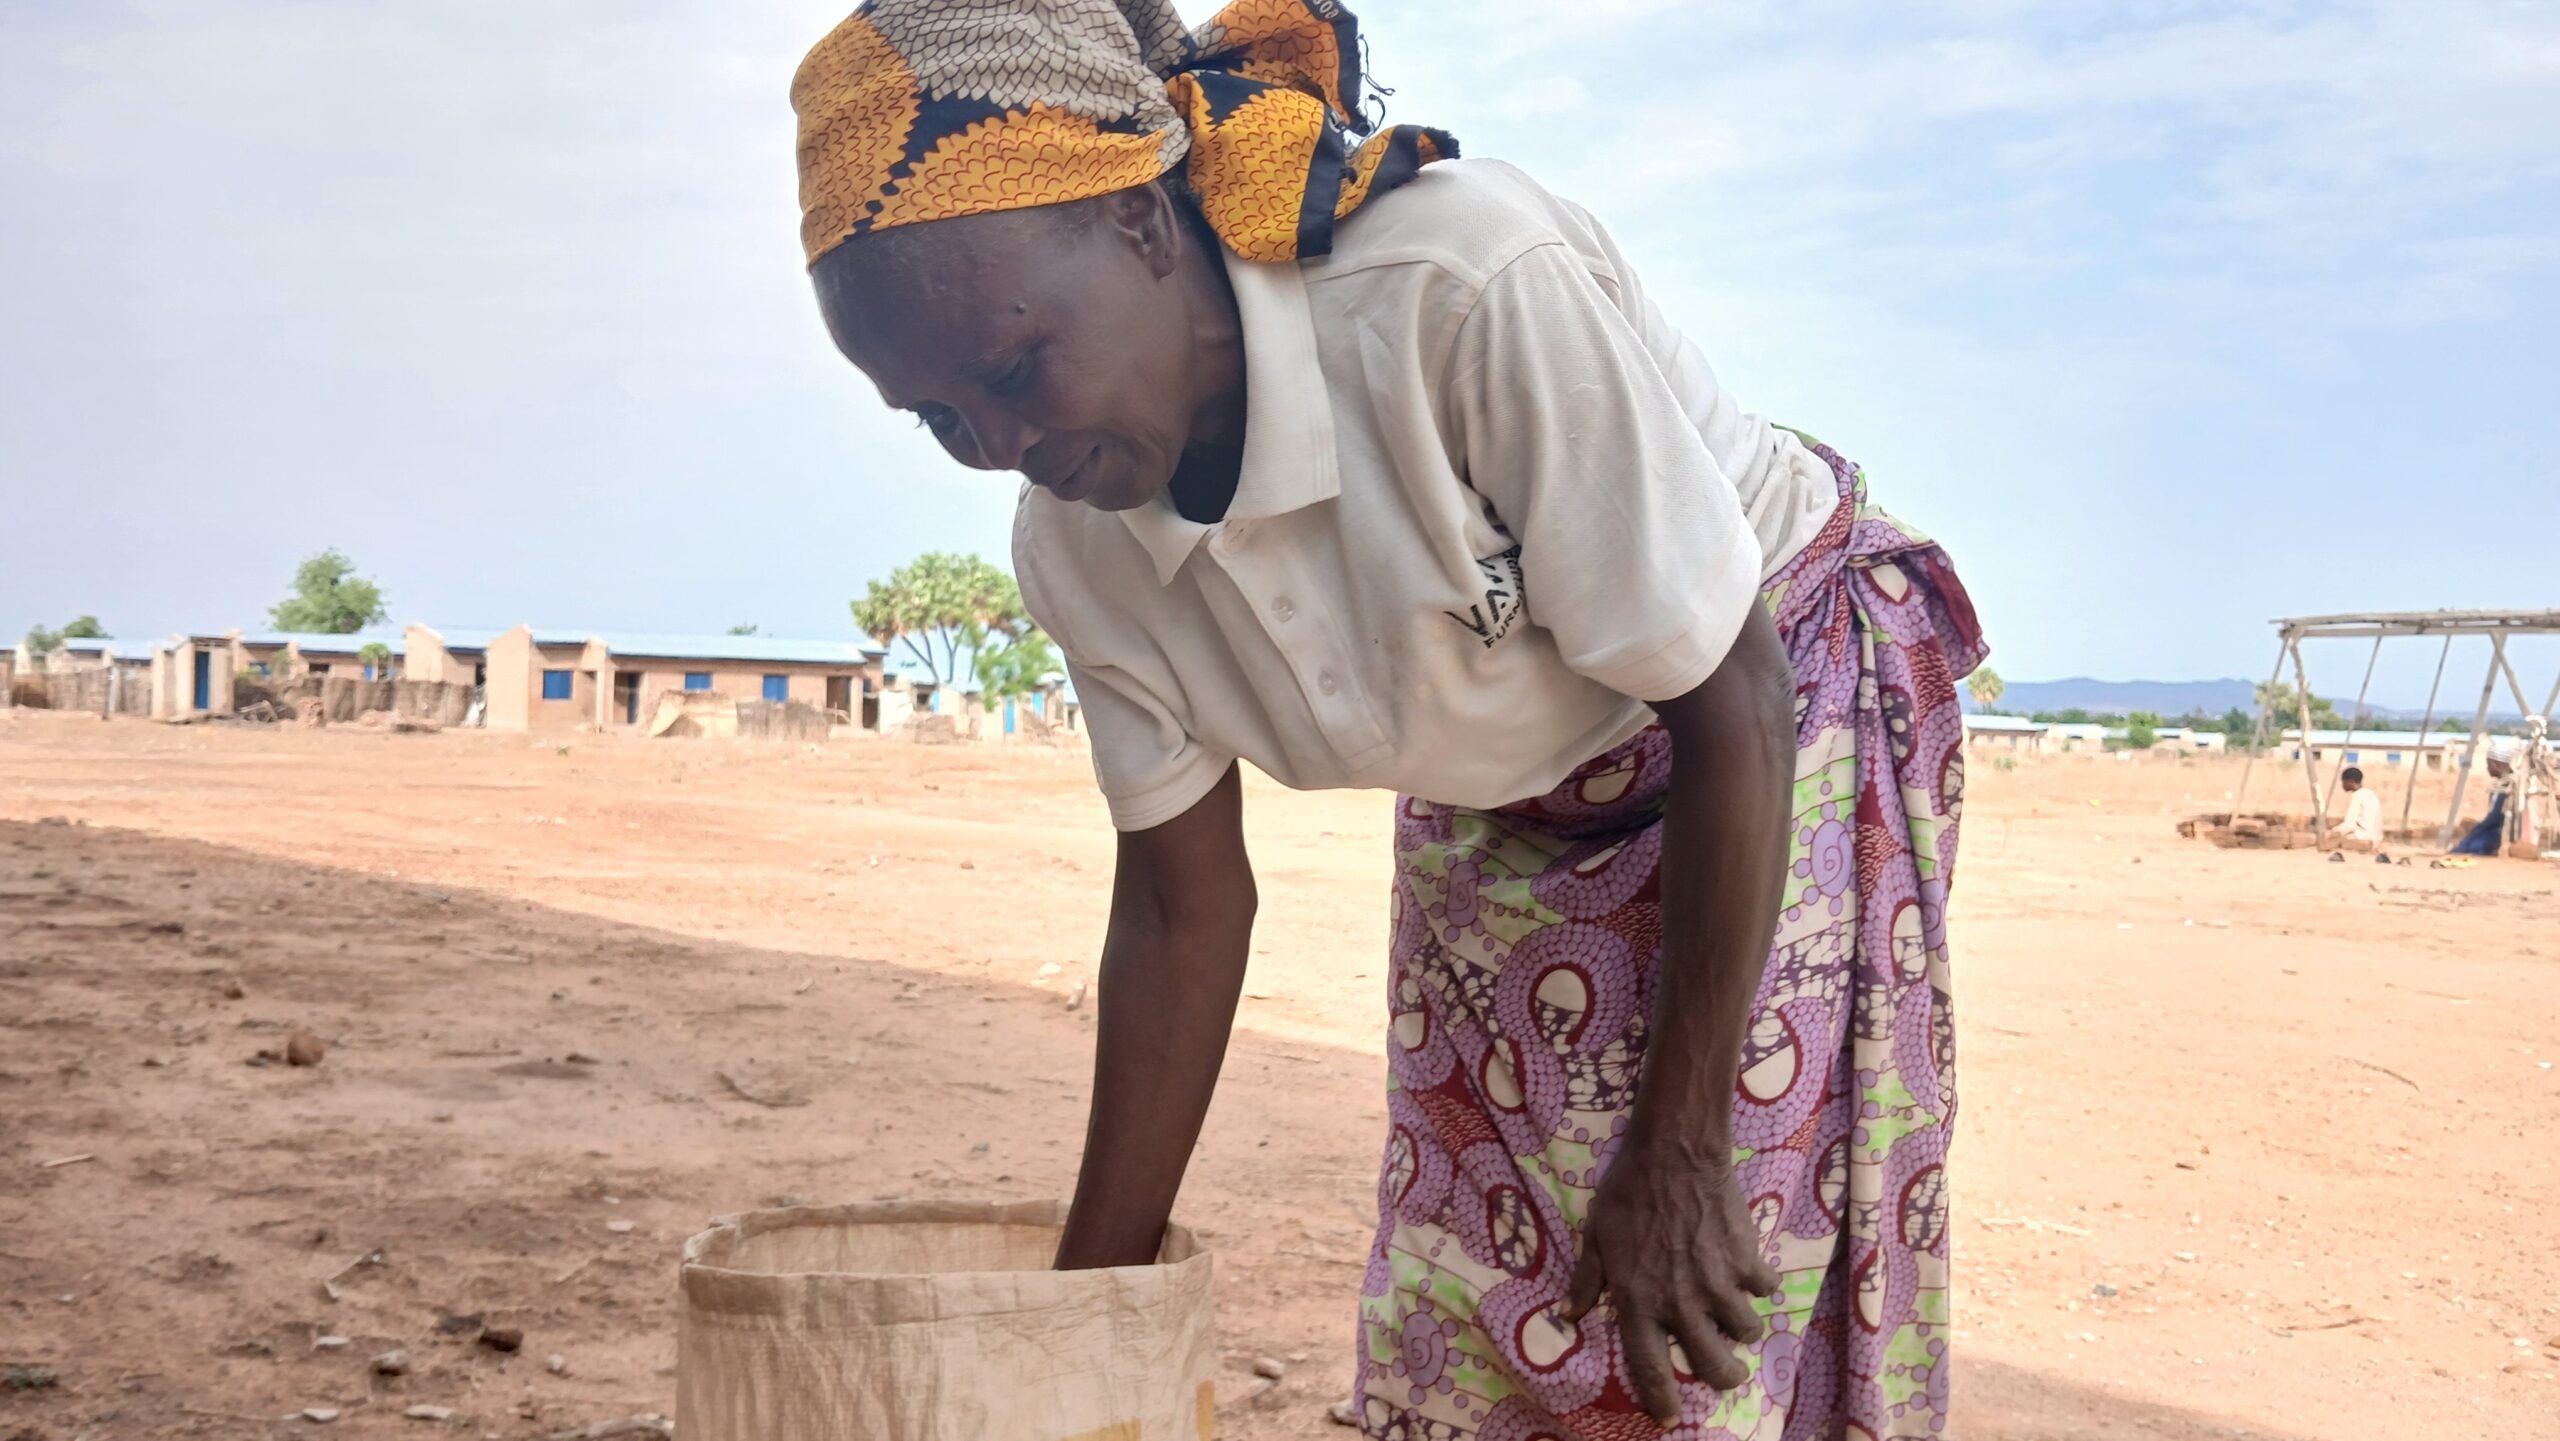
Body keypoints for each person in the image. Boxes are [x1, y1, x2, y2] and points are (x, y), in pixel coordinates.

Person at [791, 3, 1985, 1435]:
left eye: (1007, 371)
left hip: (1771, 704)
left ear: (1141, 225)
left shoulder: (1454, 289)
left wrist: (1680, 1144)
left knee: (1695, 1286)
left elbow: (1729, 693)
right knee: (1474, 1273)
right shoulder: (1078, 553)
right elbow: (1181, 910)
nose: (996, 448)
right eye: (933, 419)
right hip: (1509, 784)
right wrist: (1075, 1322)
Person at [2451, 756, 2512, 857]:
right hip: (2492, 829)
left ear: (2496, 765)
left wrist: (2479, 827)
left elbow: (2495, 817)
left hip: (2497, 831)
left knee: (2475, 842)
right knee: (2470, 841)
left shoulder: (2505, 788)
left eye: (2488, 765)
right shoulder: (2498, 786)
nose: (2488, 769)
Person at [2324, 766, 2383, 854]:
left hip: (2362, 837)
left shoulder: (2357, 796)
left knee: (2330, 842)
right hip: (2376, 838)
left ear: (2350, 781)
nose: (2342, 785)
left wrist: (2333, 832)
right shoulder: (2371, 795)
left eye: (2343, 782)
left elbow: (2349, 825)